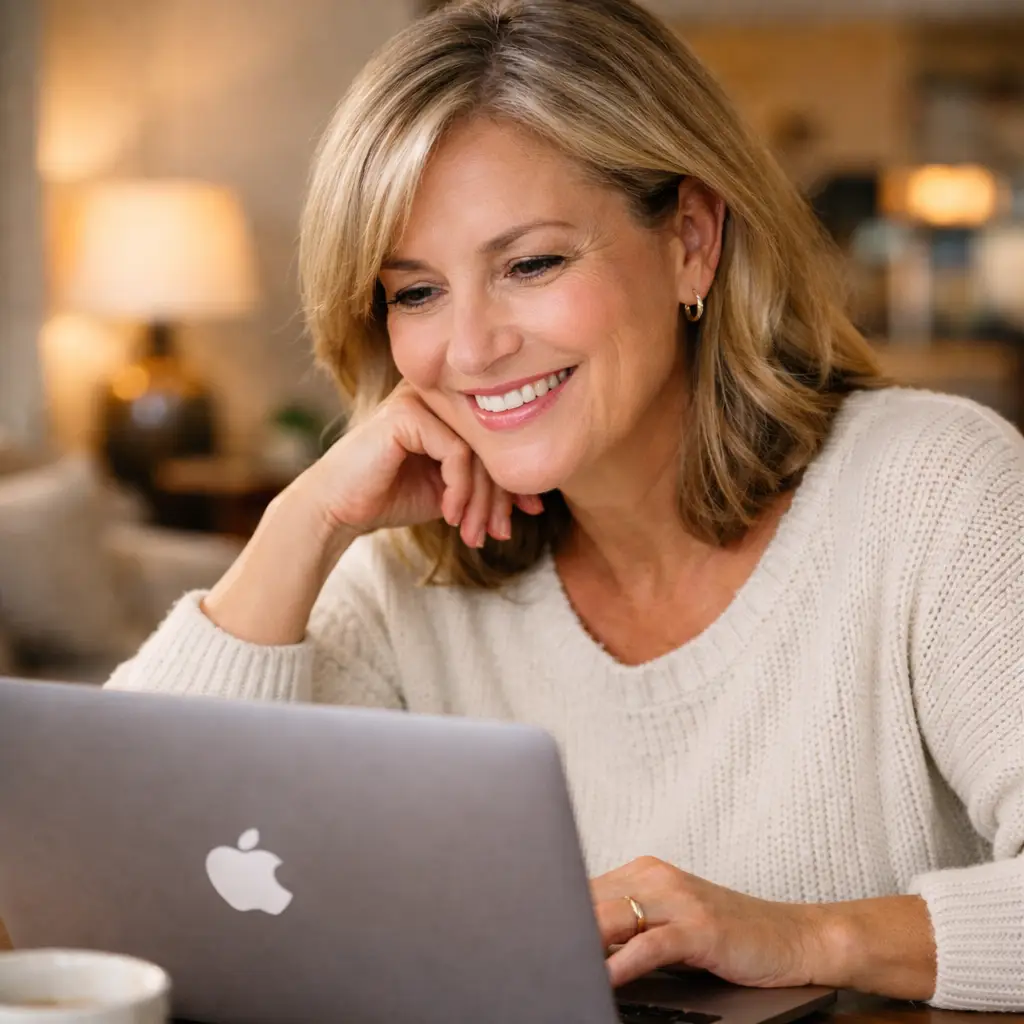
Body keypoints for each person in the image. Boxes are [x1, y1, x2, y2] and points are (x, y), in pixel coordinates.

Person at [106, 0, 1024, 1011]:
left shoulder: (932, 489)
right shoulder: (409, 572)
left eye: (531, 264)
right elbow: (116, 886)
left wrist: (810, 935)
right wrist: (303, 521)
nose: (471, 348)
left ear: (690, 240)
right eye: (414, 292)